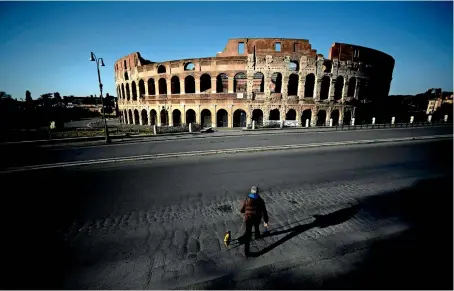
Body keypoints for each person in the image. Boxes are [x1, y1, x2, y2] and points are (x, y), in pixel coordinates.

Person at [240, 185, 269, 257]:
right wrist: (266, 220)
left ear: (251, 192)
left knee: (248, 230)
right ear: (257, 192)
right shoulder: (260, 200)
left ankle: (247, 248)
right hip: (257, 217)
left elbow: (242, 210)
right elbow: (264, 211)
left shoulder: (247, 199)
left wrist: (243, 211)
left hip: (248, 217)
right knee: (256, 227)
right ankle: (257, 236)